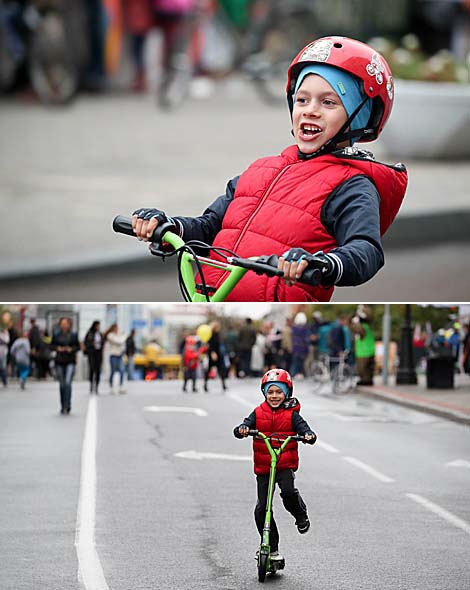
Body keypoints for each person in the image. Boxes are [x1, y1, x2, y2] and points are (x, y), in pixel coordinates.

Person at [131, 36, 408, 301]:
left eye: (328, 102)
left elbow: (366, 250)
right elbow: (209, 227)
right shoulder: (260, 170)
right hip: (207, 297)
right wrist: (169, 227)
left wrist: (322, 264)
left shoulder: (352, 185)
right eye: (302, 99)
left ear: (358, 116)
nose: (310, 110)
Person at [234, 368, 316, 563]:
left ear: (287, 393)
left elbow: (304, 428)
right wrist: (243, 429)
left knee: (288, 492)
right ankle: (271, 547)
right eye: (270, 392)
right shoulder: (258, 412)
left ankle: (300, 515)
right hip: (264, 468)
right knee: (263, 509)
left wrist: (308, 435)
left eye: (279, 392)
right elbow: (243, 426)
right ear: (264, 393)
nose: (274, 396)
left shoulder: (292, 415)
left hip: (284, 465)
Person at [50, 317, 80, 415]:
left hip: (70, 361)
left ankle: (67, 405)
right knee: (62, 384)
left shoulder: (73, 335)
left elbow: (78, 347)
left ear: (69, 324)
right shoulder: (56, 335)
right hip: (59, 361)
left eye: (65, 323)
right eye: (62, 323)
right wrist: (57, 348)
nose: (64, 325)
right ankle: (63, 405)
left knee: (68, 383)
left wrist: (71, 349)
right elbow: (51, 346)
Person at [351, 306, 375, 386]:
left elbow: (359, 331)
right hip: (368, 350)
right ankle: (367, 380)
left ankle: (365, 380)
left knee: (363, 368)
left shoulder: (363, 327)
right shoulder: (367, 327)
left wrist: (355, 322)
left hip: (363, 351)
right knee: (367, 368)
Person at [203, 320, 227, 392]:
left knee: (219, 370)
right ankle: (206, 385)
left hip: (216, 354)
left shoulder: (216, 334)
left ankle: (223, 385)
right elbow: (211, 345)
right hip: (214, 354)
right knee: (214, 369)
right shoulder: (213, 334)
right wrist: (213, 353)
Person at [104, 324, 127, 394]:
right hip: (113, 355)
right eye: (116, 328)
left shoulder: (119, 335)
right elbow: (119, 341)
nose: (117, 329)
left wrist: (122, 337)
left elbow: (122, 344)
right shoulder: (110, 335)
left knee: (122, 370)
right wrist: (124, 336)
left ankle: (121, 386)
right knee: (113, 371)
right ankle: (111, 387)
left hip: (120, 355)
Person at [84, 320, 104, 394]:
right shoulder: (89, 333)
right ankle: (91, 385)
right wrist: (92, 344)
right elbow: (86, 342)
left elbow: (103, 342)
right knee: (92, 369)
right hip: (92, 353)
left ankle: (97, 386)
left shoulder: (100, 334)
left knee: (98, 370)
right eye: (97, 325)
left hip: (98, 354)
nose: (98, 327)